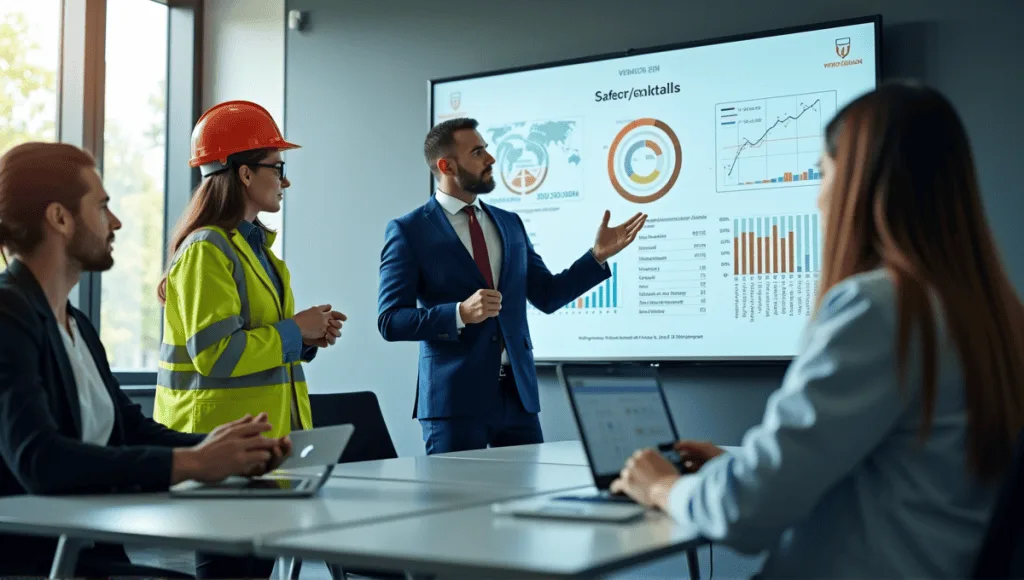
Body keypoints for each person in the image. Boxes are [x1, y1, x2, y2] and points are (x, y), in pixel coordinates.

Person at [609, 83, 1024, 578]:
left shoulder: (878, 306)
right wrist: (731, 468)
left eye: (823, 173)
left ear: (858, 183)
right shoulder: (988, 314)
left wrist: (661, 487)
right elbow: (893, 474)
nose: (818, 198)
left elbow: (746, 514)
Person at [0, 142, 292, 577]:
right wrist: (192, 464)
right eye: (102, 207)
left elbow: (128, 429)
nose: (115, 222)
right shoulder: (8, 315)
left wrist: (225, 450)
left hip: (87, 552)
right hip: (36, 561)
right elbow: (40, 459)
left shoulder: (74, 322)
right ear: (60, 218)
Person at [152, 100, 344, 578]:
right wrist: (293, 330)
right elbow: (216, 356)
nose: (286, 180)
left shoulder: (260, 254)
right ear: (242, 173)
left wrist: (308, 337)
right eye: (277, 168)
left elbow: (263, 345)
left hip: (261, 447)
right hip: (219, 447)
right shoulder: (206, 251)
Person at [378, 117, 647, 454]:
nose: (490, 159)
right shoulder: (409, 230)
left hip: (517, 398)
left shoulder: (509, 223)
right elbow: (390, 321)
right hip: (454, 402)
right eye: (478, 152)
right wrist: (459, 313)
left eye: (487, 149)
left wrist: (596, 257)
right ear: (446, 165)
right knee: (458, 504)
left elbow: (547, 295)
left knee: (527, 500)